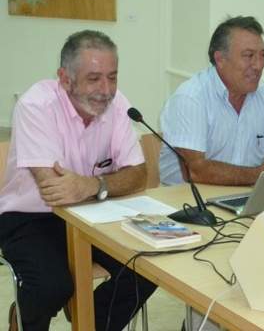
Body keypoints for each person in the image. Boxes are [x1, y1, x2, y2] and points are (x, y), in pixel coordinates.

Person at [0, 30, 156, 331]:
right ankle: (22, 318)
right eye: (94, 78)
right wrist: (103, 183)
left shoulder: (119, 104)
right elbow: (54, 188)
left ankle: (90, 323)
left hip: (95, 210)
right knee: (51, 286)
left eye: (112, 77)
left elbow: (138, 173)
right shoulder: (36, 105)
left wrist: (95, 185)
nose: (106, 89)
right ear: (64, 78)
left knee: (147, 266)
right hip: (30, 216)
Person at [159, 16, 264, 186]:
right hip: (188, 202)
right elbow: (195, 170)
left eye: (262, 55)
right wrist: (259, 174)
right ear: (220, 59)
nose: (258, 65)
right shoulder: (191, 98)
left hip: (244, 196)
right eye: (249, 56)